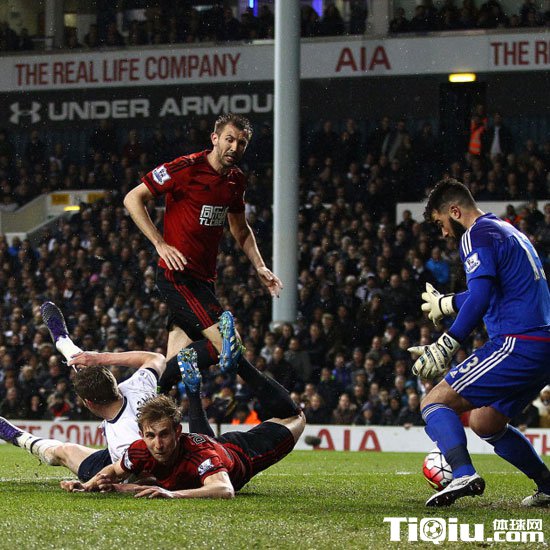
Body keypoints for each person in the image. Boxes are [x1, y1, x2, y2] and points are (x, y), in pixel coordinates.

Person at [409, 179, 550, 507]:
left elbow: (481, 297)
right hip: (541, 344)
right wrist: (446, 303)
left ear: (455, 211)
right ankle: (547, 485)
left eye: (441, 223)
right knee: (485, 422)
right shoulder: (506, 230)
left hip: (518, 343)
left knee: (433, 402)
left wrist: (446, 344)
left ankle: (462, 473)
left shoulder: (475, 234)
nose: (445, 233)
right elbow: (491, 290)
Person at [60, 311, 305, 498]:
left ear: (178, 431)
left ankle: (239, 364)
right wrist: (88, 484)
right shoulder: (139, 449)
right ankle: (193, 389)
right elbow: (114, 471)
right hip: (214, 445)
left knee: (295, 416)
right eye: (150, 436)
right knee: (204, 447)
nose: (158, 444)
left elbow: (224, 489)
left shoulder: (200, 456)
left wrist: (172, 494)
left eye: (164, 434)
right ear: (142, 435)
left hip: (243, 454)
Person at [123, 113, 282, 392]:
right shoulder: (185, 168)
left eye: (242, 143)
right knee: (229, 346)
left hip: (204, 280)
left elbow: (240, 230)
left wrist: (259, 265)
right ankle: (277, 400)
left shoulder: (235, 180)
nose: (234, 147)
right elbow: (132, 198)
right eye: (229, 139)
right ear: (215, 138)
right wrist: (160, 243)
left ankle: (146, 402)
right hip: (178, 276)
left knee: (170, 373)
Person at [0, 302, 165, 482]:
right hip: (129, 452)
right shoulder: (137, 386)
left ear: (88, 403)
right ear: (114, 383)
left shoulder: (125, 441)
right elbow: (156, 358)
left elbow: (149, 479)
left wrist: (101, 485)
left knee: (62, 453)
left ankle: (20, 438)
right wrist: (100, 358)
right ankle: (64, 342)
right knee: (88, 377)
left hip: (126, 467)